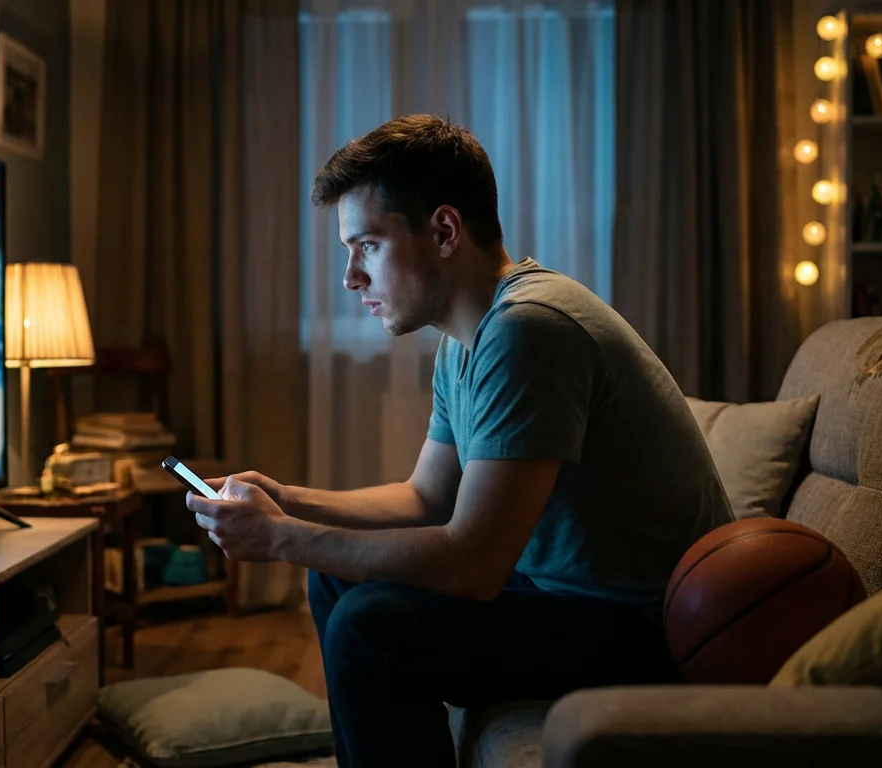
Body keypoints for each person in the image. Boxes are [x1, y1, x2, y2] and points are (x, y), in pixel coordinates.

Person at [182, 115, 732, 768]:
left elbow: (473, 565)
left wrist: (279, 538)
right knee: (332, 585)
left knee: (370, 626)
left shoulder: (531, 329)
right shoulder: (466, 338)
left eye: (369, 246)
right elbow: (426, 497)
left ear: (444, 230)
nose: (350, 277)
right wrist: (288, 501)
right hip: (567, 598)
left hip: (648, 629)